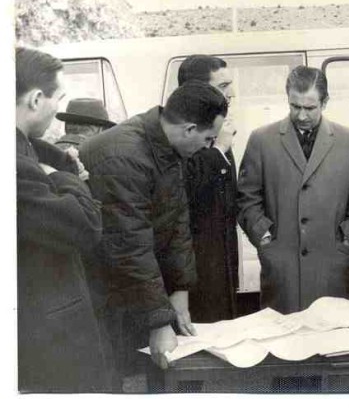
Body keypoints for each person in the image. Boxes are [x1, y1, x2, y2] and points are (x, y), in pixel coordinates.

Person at [80, 80, 227, 377]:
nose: (208, 147)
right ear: (189, 130)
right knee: (119, 382)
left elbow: (177, 220)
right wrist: (159, 322)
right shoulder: (123, 157)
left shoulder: (163, 145)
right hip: (107, 297)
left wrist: (180, 293)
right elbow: (129, 247)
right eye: (209, 139)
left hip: (134, 290)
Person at [237, 65, 349, 314]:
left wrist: (347, 242)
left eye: (309, 108)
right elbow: (246, 198)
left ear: (326, 101)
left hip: (331, 266)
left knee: (330, 340)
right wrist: (265, 240)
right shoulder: (261, 139)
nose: (301, 115)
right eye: (294, 106)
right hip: (281, 270)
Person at [16, 47, 111, 392]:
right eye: (59, 98)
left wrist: (55, 168)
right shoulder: (17, 163)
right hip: (46, 333)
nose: (58, 110)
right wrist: (68, 176)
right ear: (36, 99)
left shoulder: (30, 150)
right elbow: (86, 228)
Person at [178, 55, 239, 322]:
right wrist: (219, 152)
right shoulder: (180, 132)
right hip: (195, 270)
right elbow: (184, 192)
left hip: (220, 263)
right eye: (224, 86)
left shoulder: (214, 128)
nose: (232, 93)